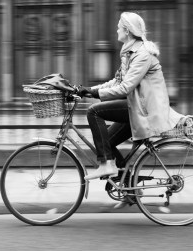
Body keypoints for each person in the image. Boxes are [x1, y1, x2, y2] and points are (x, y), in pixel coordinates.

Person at [78, 12, 184, 180]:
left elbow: (125, 88)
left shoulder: (142, 54)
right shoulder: (130, 53)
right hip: (136, 107)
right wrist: (89, 90)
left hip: (145, 110)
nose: (117, 29)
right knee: (107, 142)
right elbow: (117, 81)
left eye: (119, 26)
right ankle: (127, 189)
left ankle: (106, 164)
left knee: (93, 112)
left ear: (127, 31)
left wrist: (95, 94)